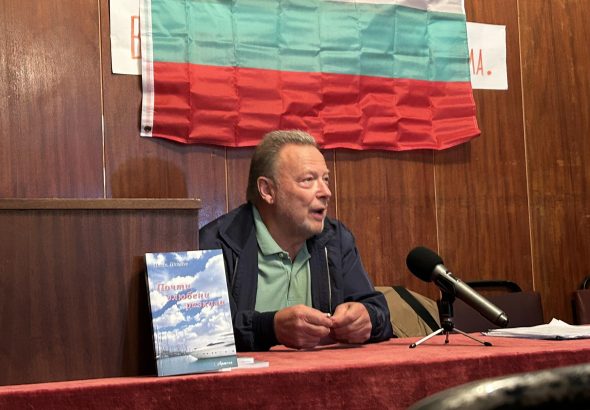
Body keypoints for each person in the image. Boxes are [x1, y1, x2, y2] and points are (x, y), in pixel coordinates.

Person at [199, 130, 393, 351]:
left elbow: (378, 312)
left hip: (323, 372)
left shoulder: (335, 239)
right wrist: (271, 329)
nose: (326, 192)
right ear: (267, 190)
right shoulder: (214, 244)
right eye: (308, 180)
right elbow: (201, 336)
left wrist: (368, 318)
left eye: (326, 179)